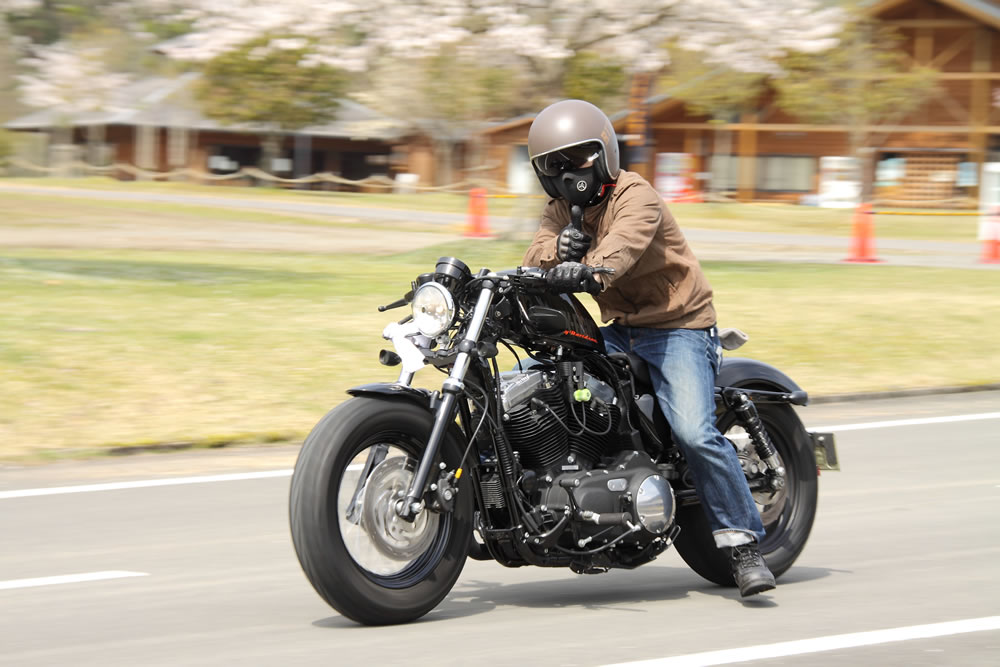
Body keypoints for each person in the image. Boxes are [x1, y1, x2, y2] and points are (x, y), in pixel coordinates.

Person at [522, 99, 775, 597]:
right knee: (543, 382)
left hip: (678, 327)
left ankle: (744, 545)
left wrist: (586, 265)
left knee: (693, 432)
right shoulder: (559, 210)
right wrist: (556, 251)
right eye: (555, 164)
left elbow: (621, 249)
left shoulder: (637, 195)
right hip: (620, 328)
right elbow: (535, 253)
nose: (569, 172)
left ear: (604, 154)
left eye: (579, 157)